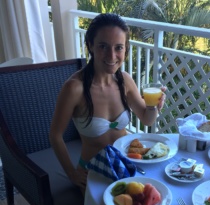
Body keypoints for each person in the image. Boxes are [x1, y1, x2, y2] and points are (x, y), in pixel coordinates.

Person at [49, 13, 166, 194]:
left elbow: (147, 119)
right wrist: (71, 173)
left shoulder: (125, 81)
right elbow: (55, 135)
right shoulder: (75, 88)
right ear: (91, 46)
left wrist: (153, 106)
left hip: (128, 164)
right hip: (93, 171)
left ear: (125, 49)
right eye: (103, 46)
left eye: (118, 47)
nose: (112, 55)